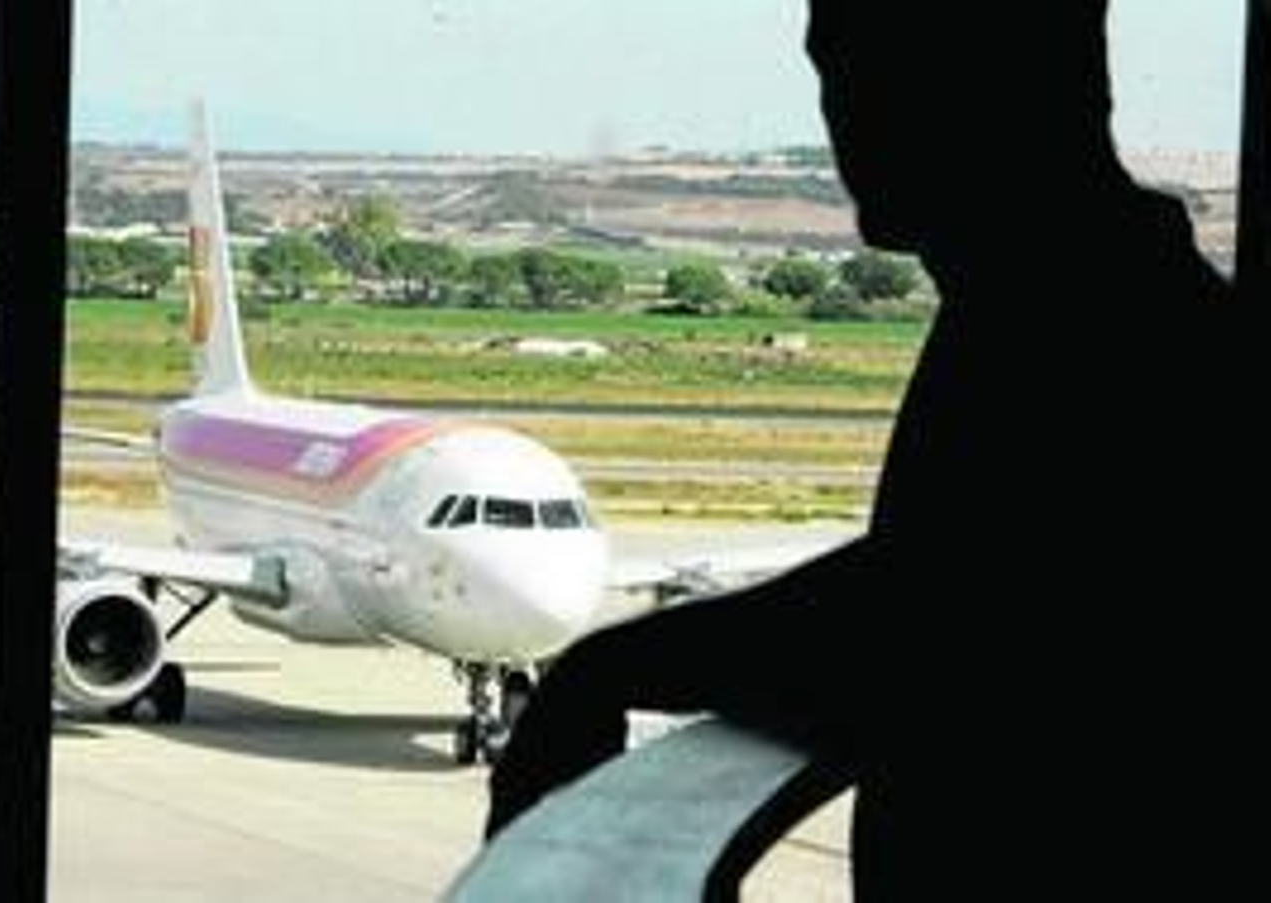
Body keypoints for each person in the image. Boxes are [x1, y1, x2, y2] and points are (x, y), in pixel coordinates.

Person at [484, 2, 1252, 898]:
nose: (847, 115)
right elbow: (948, 573)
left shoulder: (1096, 327)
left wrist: (604, 670)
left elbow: (935, 610)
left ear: (1021, 85)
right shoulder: (1077, 303)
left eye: (878, 73)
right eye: (835, 75)